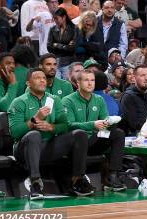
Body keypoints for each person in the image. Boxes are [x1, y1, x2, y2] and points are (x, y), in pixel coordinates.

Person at [8, 68, 95, 199]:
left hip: (48, 146)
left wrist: (51, 127)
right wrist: (34, 120)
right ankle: (35, 183)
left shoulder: (54, 100)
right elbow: (14, 132)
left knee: (79, 134)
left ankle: (78, 180)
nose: (43, 80)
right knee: (34, 135)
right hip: (24, 150)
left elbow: (65, 126)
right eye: (38, 78)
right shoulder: (19, 102)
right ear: (28, 83)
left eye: (44, 78)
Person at [63, 69, 127, 191]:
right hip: (75, 143)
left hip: (93, 139)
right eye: (86, 80)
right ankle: (78, 181)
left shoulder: (99, 99)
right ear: (78, 83)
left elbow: (104, 120)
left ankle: (112, 177)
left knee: (118, 134)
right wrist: (92, 125)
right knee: (80, 134)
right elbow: (68, 125)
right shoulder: (68, 100)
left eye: (92, 80)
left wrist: (110, 122)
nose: (90, 83)